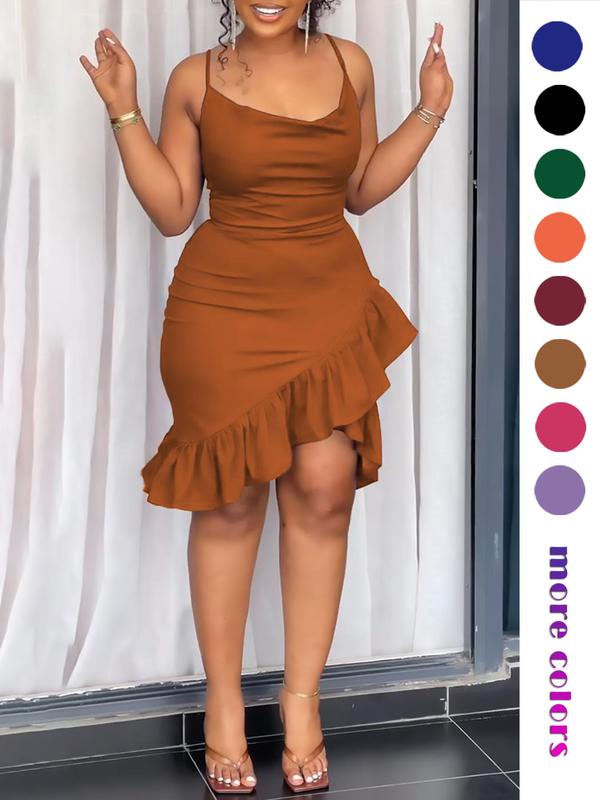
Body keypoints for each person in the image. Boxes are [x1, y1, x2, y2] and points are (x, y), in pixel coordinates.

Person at [80, 0, 453, 794]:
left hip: (327, 301)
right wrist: (123, 111)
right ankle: (222, 701)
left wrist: (429, 111)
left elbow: (359, 189)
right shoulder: (194, 80)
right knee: (231, 500)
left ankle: (301, 699)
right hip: (222, 311)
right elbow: (173, 211)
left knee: (325, 486)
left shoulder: (351, 64)